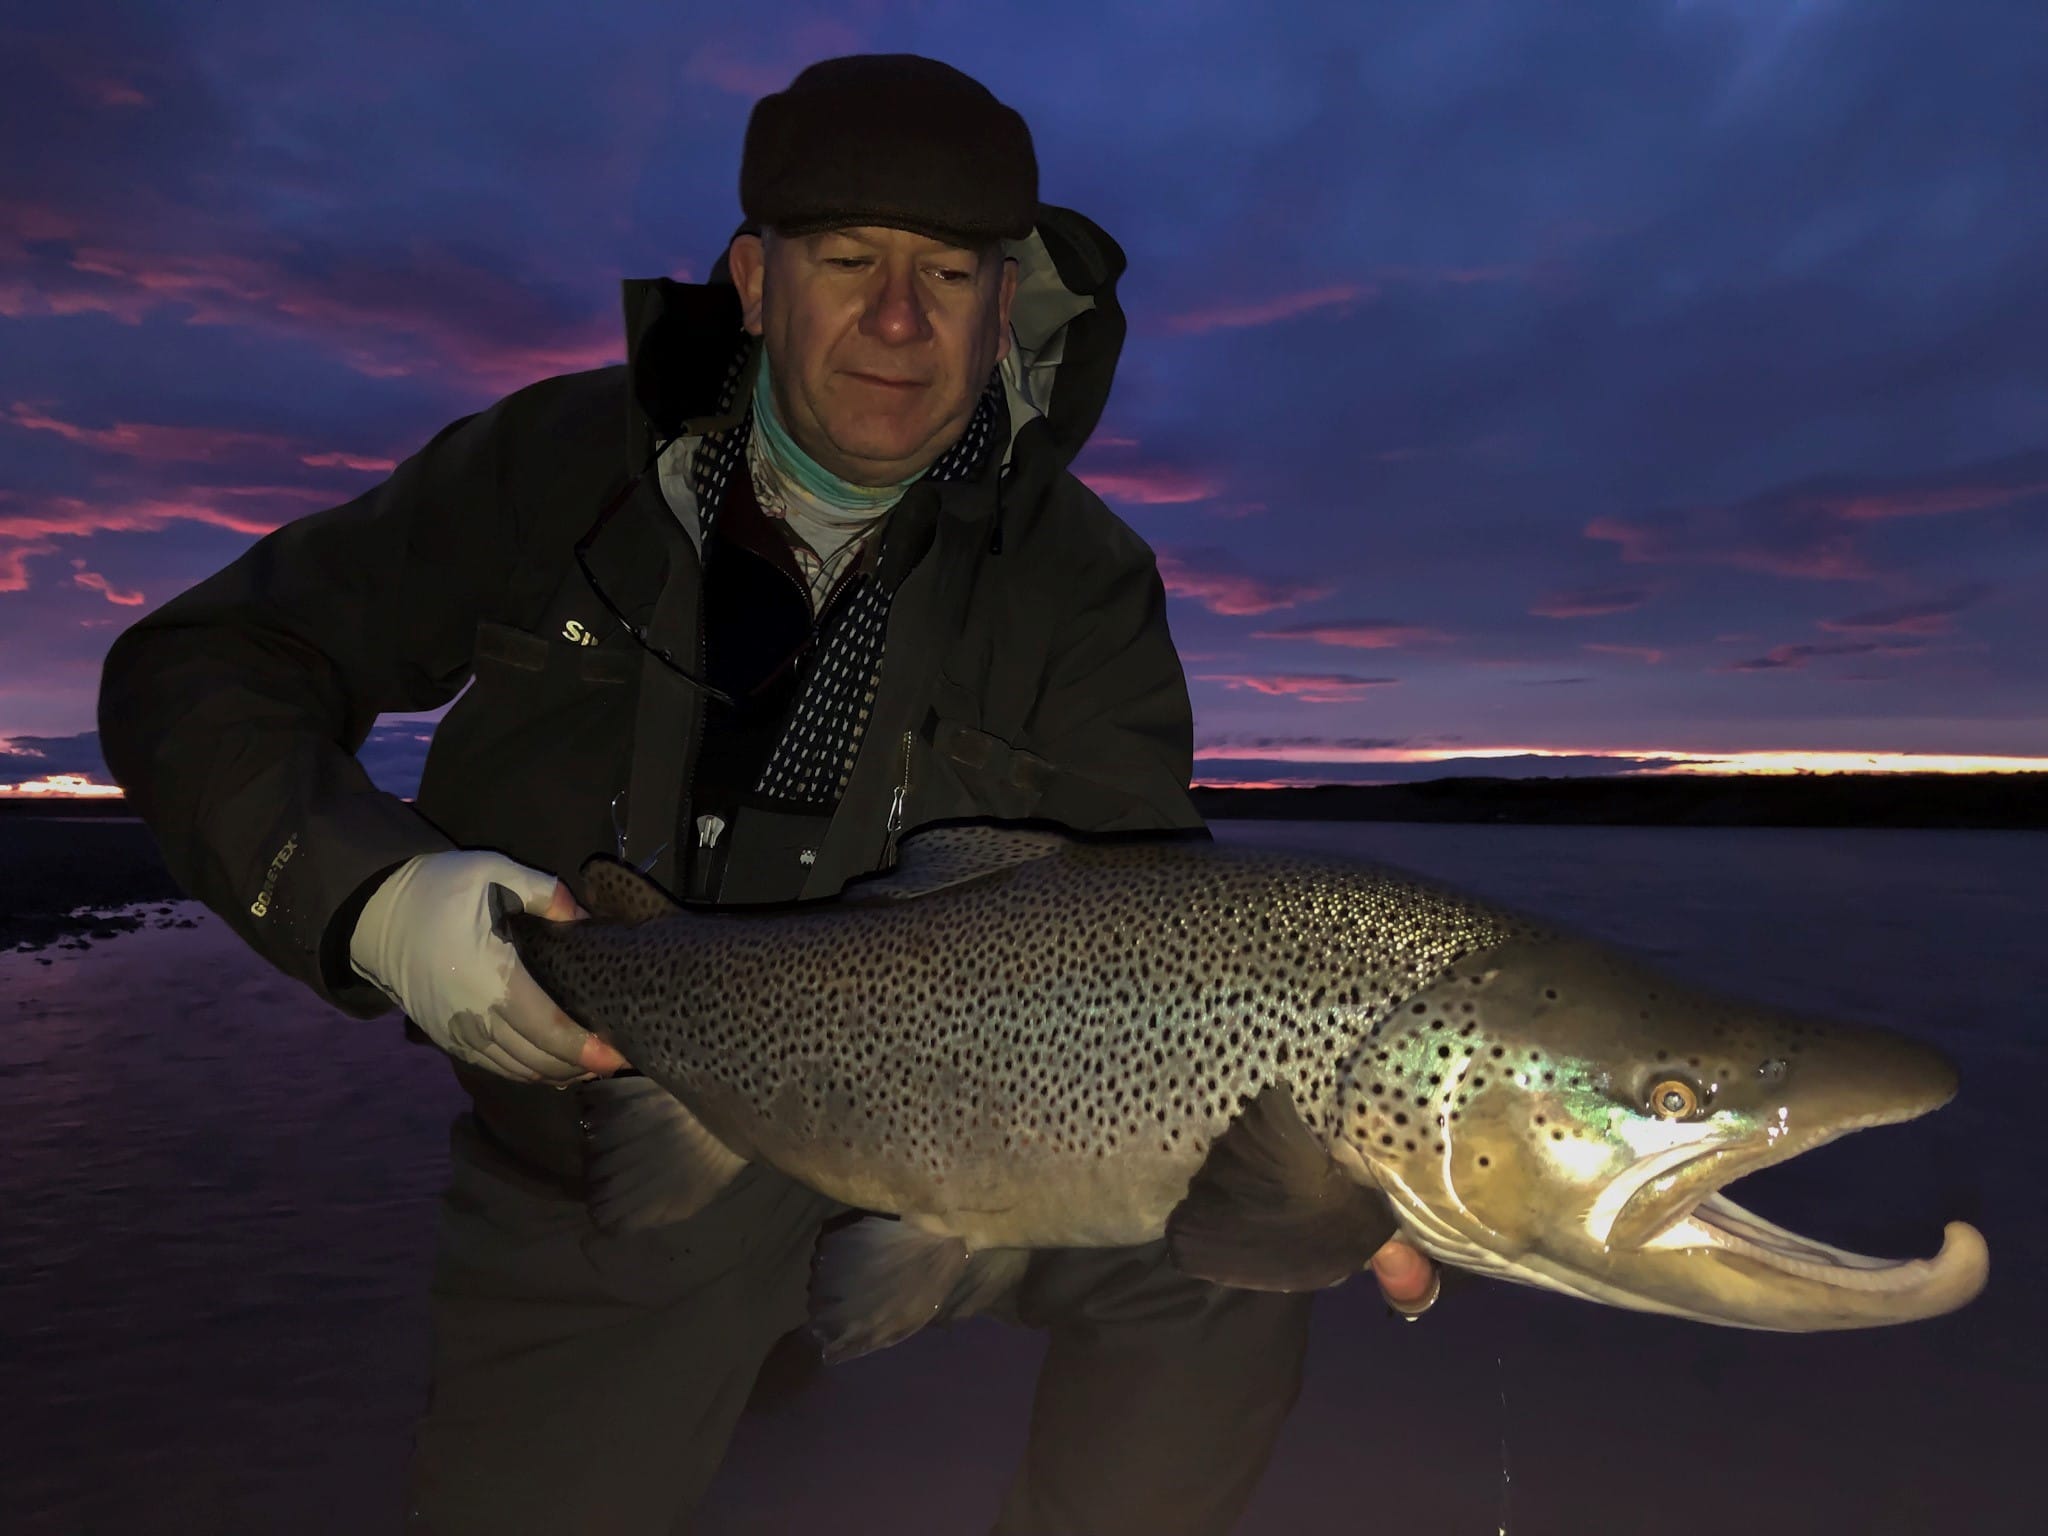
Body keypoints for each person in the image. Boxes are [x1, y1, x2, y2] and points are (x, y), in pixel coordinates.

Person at [97, 53, 1437, 1535]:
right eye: (849, 261)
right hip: (608, 1164)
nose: (899, 319)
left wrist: (1319, 1173)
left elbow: (1147, 926)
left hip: (955, 1151)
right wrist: (377, 906)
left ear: (1009, 304)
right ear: (751, 278)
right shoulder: (559, 470)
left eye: (949, 272)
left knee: (1234, 1276)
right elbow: (203, 665)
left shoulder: (1083, 583)